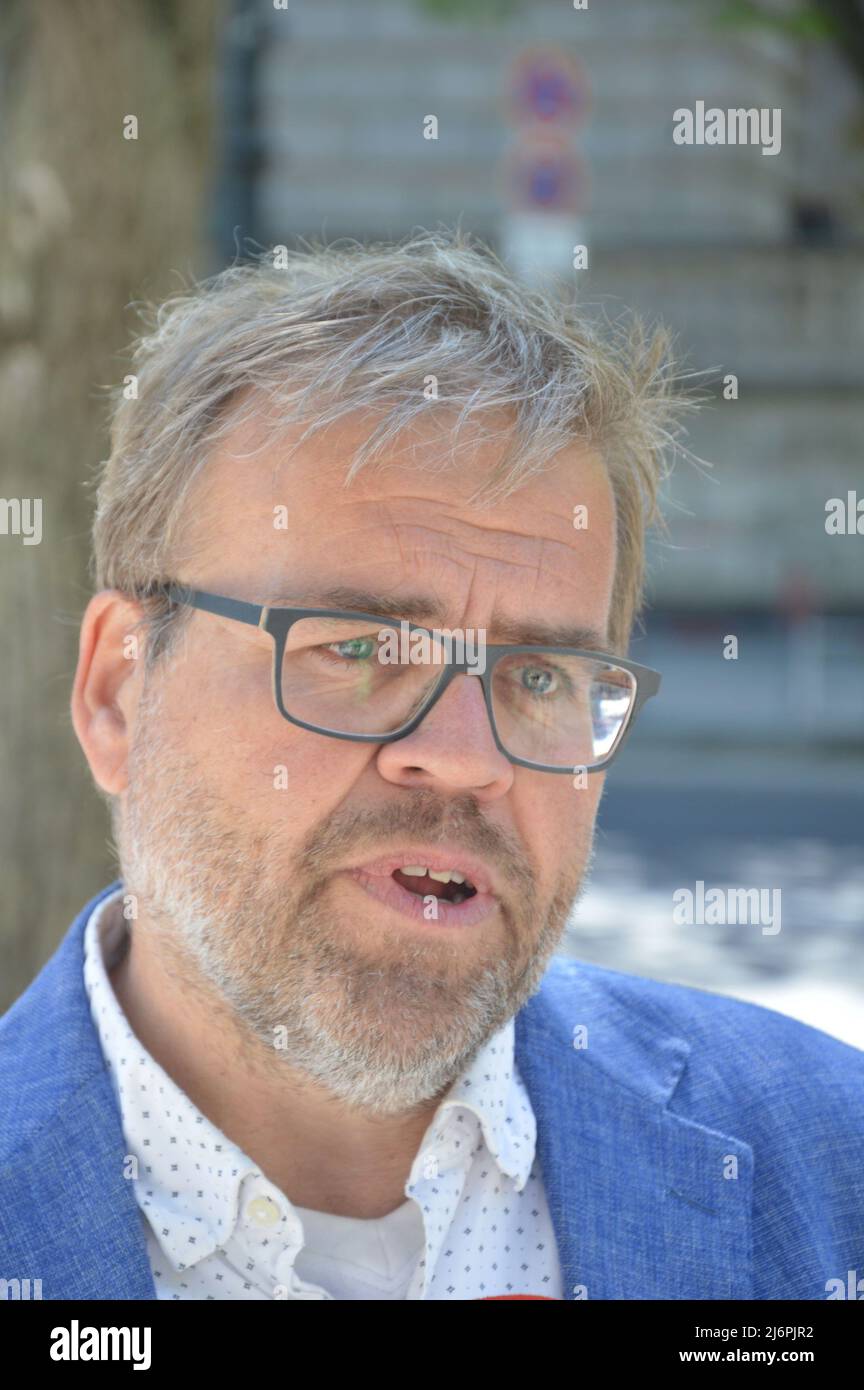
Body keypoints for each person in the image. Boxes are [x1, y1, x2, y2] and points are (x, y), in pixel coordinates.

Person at [1, 231, 861, 1301]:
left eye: (539, 676)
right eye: (358, 650)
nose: (462, 761)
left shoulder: (829, 1169)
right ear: (117, 692)